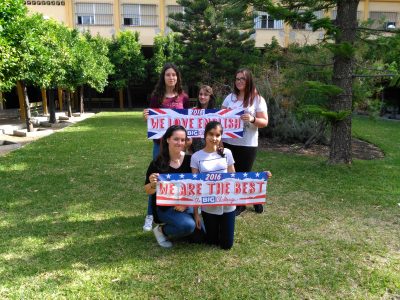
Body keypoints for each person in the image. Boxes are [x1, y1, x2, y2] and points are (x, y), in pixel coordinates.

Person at [142, 63, 190, 231]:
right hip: (160, 144)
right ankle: (150, 215)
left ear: (178, 77)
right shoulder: (157, 96)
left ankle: (175, 207)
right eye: (168, 74)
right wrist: (147, 116)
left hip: (178, 145)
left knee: (180, 177)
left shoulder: (183, 97)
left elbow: (189, 120)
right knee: (155, 178)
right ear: (163, 77)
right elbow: (153, 119)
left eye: (174, 75)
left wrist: (186, 141)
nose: (171, 77)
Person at [221, 68, 269, 216]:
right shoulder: (230, 98)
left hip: (247, 143)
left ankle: (240, 205)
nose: (239, 81)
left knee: (243, 174)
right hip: (229, 142)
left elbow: (264, 122)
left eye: (242, 79)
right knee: (230, 173)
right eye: (237, 79)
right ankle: (252, 198)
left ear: (249, 80)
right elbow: (220, 118)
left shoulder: (257, 99)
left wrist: (253, 119)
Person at [145, 125, 197, 248]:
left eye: (183, 140)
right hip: (165, 208)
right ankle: (161, 230)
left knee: (199, 236)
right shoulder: (157, 163)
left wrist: (186, 204)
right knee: (188, 226)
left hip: (186, 205)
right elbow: (147, 190)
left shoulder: (191, 160)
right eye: (176, 139)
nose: (179, 143)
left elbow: (196, 186)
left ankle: (183, 224)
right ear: (168, 139)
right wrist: (153, 184)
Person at [191, 121, 236, 250]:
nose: (214, 138)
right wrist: (196, 213)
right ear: (205, 135)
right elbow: (195, 186)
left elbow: (234, 177)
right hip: (208, 205)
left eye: (218, 135)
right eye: (211, 134)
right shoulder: (196, 156)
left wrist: (263, 176)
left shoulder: (227, 153)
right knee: (212, 242)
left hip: (227, 203)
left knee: (227, 245)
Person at [189, 85, 217, 154]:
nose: (202, 97)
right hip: (195, 147)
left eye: (206, 95)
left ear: (210, 97)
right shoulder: (192, 111)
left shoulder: (216, 113)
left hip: (211, 145)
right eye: (200, 94)